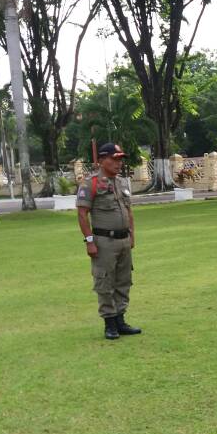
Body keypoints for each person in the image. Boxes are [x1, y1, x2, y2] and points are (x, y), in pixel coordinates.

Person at [76, 143, 141, 340]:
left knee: (123, 281)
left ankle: (121, 321)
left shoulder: (122, 182)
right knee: (104, 281)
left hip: (123, 240)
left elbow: (128, 211)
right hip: (104, 241)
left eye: (120, 159)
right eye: (114, 159)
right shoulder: (90, 183)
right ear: (102, 160)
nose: (118, 163)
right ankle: (109, 323)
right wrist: (89, 241)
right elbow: (81, 214)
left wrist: (132, 234)